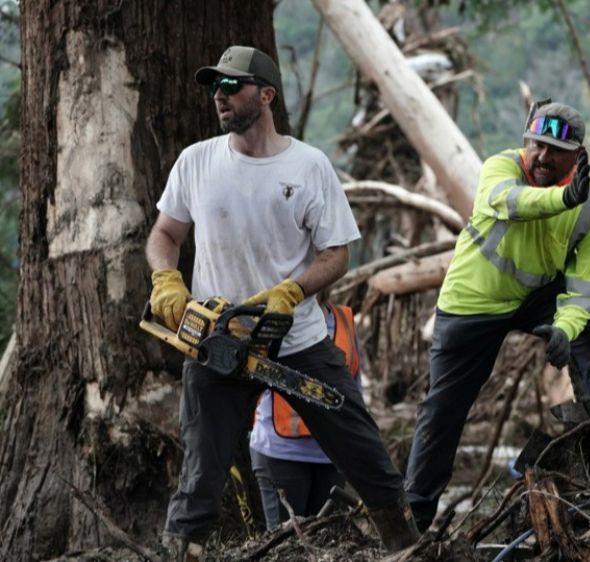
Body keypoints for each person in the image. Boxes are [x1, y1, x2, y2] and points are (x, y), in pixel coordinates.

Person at [145, 46, 418, 560]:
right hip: (217, 341)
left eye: (232, 86)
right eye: (214, 88)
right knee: (201, 475)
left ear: (266, 95)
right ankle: (180, 551)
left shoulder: (308, 166)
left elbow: (336, 253)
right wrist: (166, 278)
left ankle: (408, 547)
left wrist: (293, 291)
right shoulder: (196, 161)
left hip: (296, 341)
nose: (220, 97)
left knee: (364, 454)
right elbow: (165, 232)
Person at [404, 101, 590, 531]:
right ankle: (414, 515)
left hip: (538, 295)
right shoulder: (501, 169)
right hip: (473, 300)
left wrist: (563, 329)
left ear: (578, 156)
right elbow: (510, 202)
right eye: (537, 145)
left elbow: (586, 288)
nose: (542, 157)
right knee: (443, 408)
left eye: (556, 150)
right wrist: (561, 197)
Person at [249, 301, 362, 529]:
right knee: (285, 544)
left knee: (326, 544)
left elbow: (354, 385)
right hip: (281, 451)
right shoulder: (273, 316)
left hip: (333, 455)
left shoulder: (343, 318)